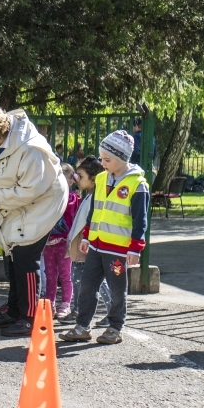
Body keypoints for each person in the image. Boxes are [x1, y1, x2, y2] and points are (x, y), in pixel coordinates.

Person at [0, 105, 68, 337]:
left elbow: (30, 191)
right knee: (11, 255)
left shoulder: (31, 149)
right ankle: (15, 310)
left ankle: (29, 317)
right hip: (14, 201)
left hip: (42, 203)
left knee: (26, 257)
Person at [60, 131, 149, 345]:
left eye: (107, 160)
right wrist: (87, 237)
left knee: (118, 290)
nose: (103, 163)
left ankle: (115, 327)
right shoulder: (101, 179)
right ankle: (82, 326)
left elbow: (140, 220)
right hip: (96, 248)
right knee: (87, 287)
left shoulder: (138, 185)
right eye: (102, 158)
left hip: (118, 251)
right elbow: (95, 210)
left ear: (122, 159)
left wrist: (135, 248)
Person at [62, 156, 112, 325]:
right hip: (81, 246)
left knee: (91, 282)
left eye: (81, 176)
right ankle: (78, 310)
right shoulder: (88, 196)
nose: (77, 179)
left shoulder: (94, 198)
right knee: (80, 280)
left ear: (93, 179)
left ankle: (111, 311)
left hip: (86, 247)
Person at [42, 163, 80, 318]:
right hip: (48, 242)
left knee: (65, 275)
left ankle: (65, 304)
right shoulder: (48, 198)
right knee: (50, 275)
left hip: (65, 242)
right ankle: (50, 303)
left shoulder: (73, 198)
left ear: (71, 181)